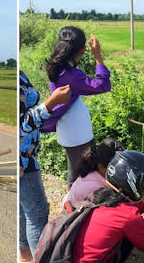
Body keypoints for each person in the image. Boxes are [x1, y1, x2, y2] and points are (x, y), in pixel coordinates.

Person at [40, 26, 112, 189]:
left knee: (80, 172)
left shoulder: (60, 65)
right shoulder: (69, 74)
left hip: (72, 129)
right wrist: (98, 56)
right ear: (82, 49)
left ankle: (76, 205)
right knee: (78, 175)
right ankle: (71, 209)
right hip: (76, 133)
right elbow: (102, 85)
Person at [19, 69, 71, 263]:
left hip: (26, 153)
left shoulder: (19, 73)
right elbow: (21, 123)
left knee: (24, 206)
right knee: (37, 212)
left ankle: (25, 253)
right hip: (23, 158)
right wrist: (51, 103)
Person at [65, 138, 123, 205]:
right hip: (78, 214)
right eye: (114, 168)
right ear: (101, 167)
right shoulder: (94, 188)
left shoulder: (92, 171)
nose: (119, 170)